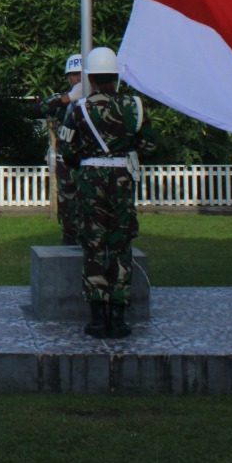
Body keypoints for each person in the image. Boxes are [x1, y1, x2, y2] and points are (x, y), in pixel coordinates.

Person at [59, 46, 157, 338]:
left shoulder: (79, 109)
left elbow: (67, 150)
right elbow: (149, 145)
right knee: (120, 245)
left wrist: (87, 160)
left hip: (91, 179)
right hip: (122, 178)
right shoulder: (135, 106)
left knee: (93, 245)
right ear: (116, 77)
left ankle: (98, 318)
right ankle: (118, 317)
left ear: (90, 77)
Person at [38, 53, 84, 245]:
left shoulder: (96, 99)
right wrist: (68, 98)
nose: (78, 78)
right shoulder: (64, 99)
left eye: (82, 74)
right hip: (66, 164)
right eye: (74, 74)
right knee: (67, 208)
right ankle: (69, 240)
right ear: (68, 77)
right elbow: (41, 106)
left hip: (87, 161)